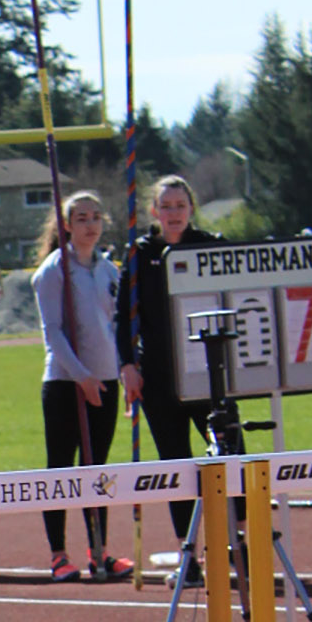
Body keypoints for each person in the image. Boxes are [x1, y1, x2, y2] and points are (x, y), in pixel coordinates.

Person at [117, 175, 225, 557]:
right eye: (167, 206)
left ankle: (242, 542)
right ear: (154, 211)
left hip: (208, 372)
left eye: (180, 206)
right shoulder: (138, 255)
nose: (174, 213)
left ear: (191, 208)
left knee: (229, 453)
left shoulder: (211, 247)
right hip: (159, 378)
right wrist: (127, 364)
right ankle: (189, 553)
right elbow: (122, 319)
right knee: (176, 464)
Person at [34, 191, 134, 583]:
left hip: (105, 380)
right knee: (60, 468)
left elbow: (117, 326)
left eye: (95, 217)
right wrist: (81, 377)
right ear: (66, 225)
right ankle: (59, 554)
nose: (89, 225)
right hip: (64, 383)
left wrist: (121, 372)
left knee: (97, 469)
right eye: (80, 218)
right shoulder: (54, 270)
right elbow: (53, 333)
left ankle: (100, 551)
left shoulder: (110, 270)